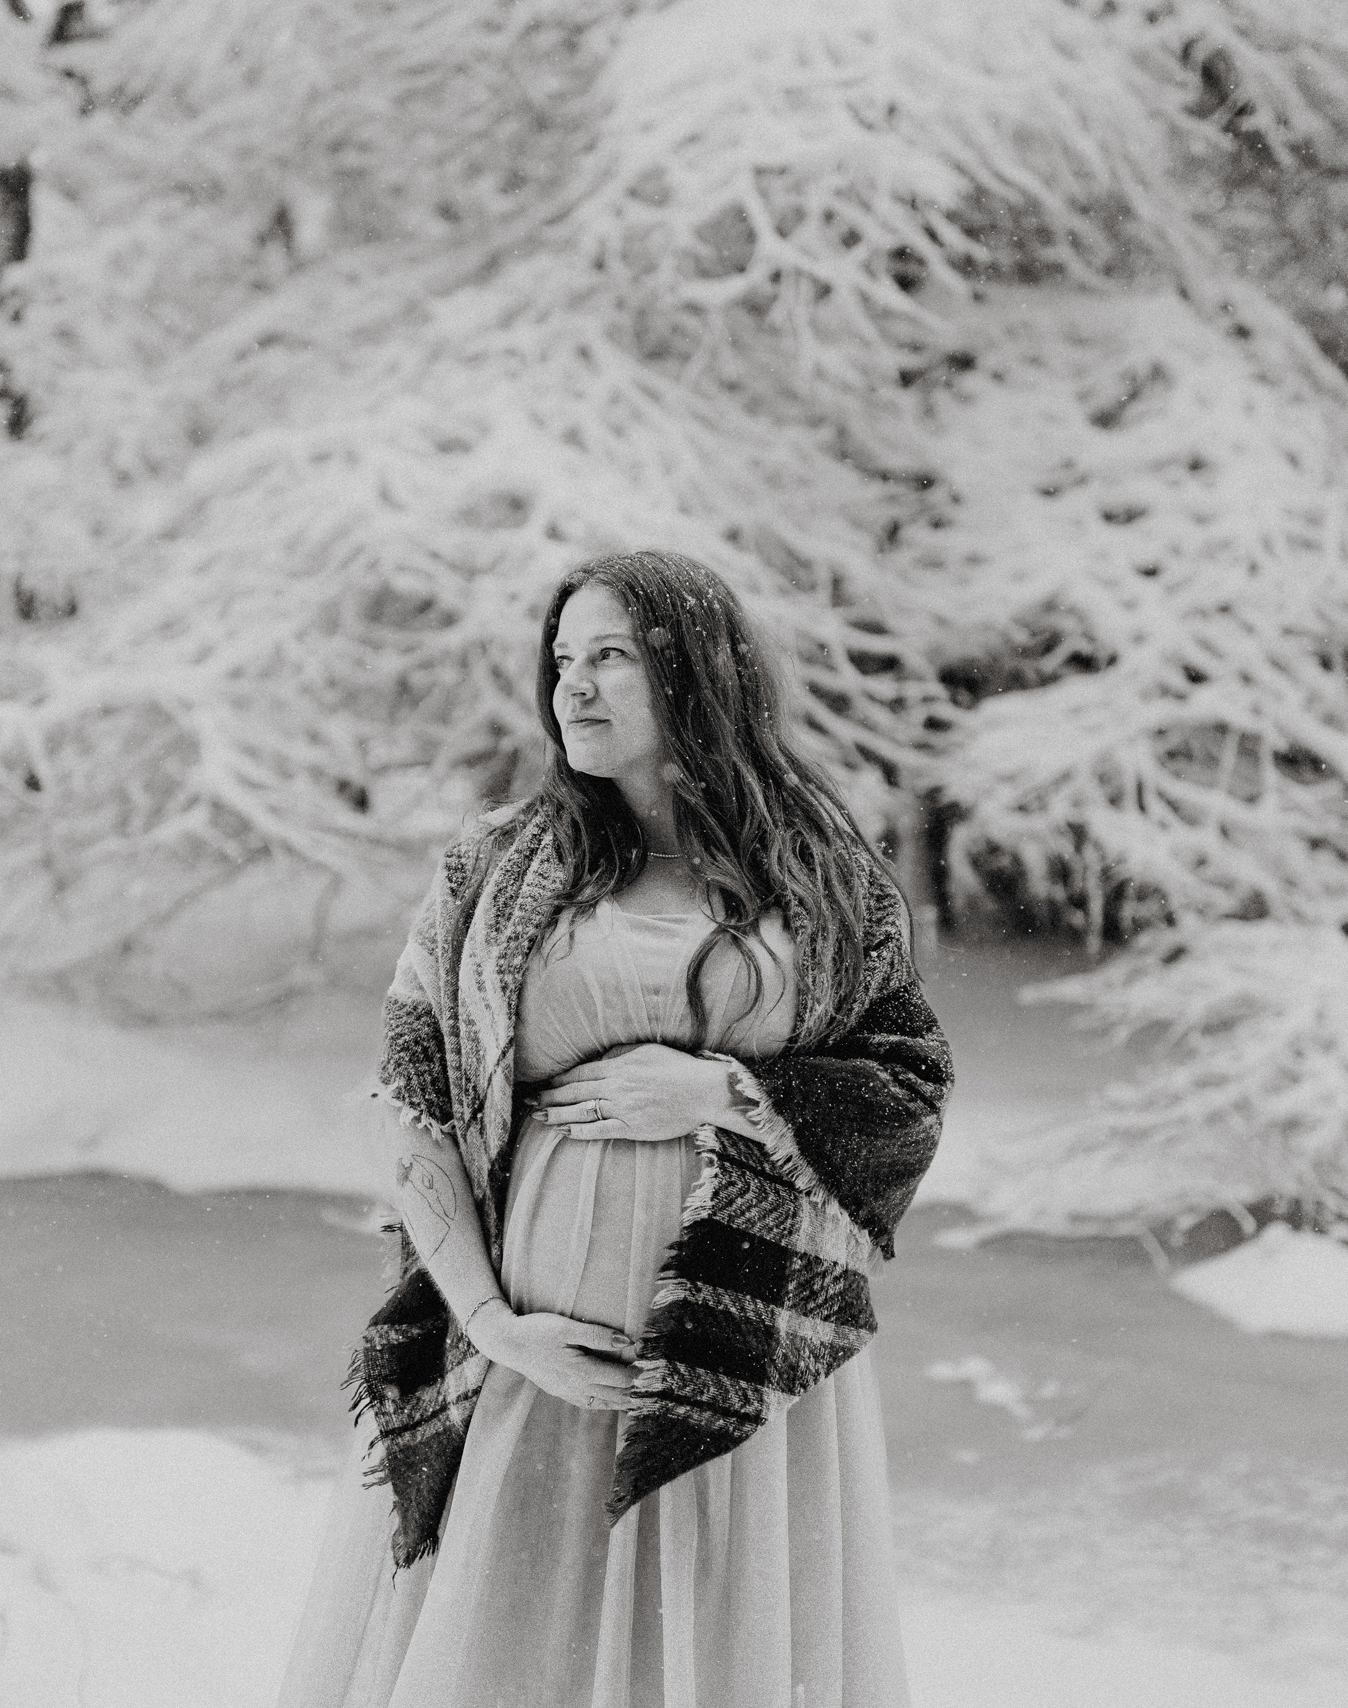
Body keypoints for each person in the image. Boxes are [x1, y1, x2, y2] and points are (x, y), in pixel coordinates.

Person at [277, 549, 953, 1708]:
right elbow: (415, 1112)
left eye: (609, 658)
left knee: (712, 1655)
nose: (572, 690)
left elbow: (904, 1093)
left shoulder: (824, 873)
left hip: (744, 1366)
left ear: (693, 674)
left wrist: (724, 1096)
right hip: (536, 1360)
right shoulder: (495, 872)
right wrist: (493, 1326)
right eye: (561, 662)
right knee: (506, 1658)